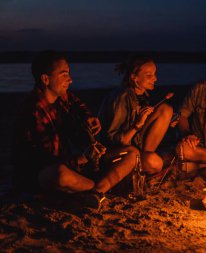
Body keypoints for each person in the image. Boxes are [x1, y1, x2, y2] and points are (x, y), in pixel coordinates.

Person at [11, 50, 139, 209]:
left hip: (75, 168)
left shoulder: (60, 97)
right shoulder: (34, 111)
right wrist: (84, 158)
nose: (70, 80)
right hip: (44, 174)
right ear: (45, 79)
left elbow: (77, 103)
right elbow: (46, 161)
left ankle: (96, 191)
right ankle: (99, 188)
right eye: (64, 75)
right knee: (58, 174)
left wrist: (88, 117)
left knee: (132, 153)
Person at [98, 56, 173, 177]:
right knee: (155, 162)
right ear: (134, 77)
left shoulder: (142, 95)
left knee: (165, 109)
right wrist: (137, 125)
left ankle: (143, 162)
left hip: (135, 148)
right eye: (149, 75)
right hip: (116, 154)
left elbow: (141, 134)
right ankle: (138, 166)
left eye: (154, 74)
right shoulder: (122, 98)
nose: (155, 78)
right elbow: (115, 139)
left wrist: (169, 122)